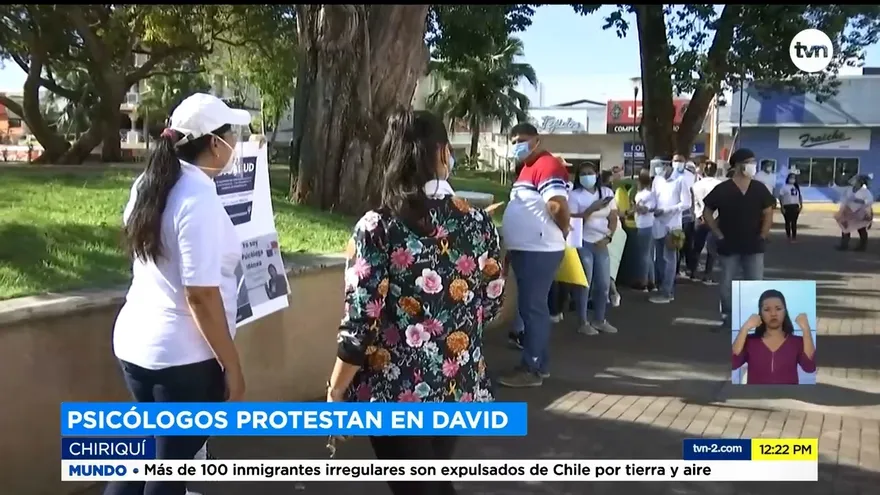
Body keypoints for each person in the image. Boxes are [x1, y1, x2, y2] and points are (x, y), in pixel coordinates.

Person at [326, 109, 503, 495]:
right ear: (443, 152)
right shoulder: (478, 223)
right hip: (457, 384)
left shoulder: (378, 227)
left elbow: (362, 321)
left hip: (395, 392)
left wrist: (337, 388)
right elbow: (492, 300)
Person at [107, 93, 251, 495]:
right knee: (170, 469)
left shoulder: (150, 184)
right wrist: (233, 367)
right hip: (181, 362)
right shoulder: (197, 199)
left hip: (138, 346)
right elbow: (200, 295)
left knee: (144, 459)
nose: (235, 143)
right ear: (214, 143)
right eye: (232, 134)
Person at [499, 123, 570, 387]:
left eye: (522, 139)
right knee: (531, 308)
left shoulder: (547, 165)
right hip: (527, 248)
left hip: (539, 249)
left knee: (533, 309)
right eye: (513, 141)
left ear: (537, 140)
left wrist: (563, 229)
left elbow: (557, 205)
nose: (517, 145)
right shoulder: (526, 169)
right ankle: (539, 363)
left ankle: (532, 369)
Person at [703, 148, 775, 330]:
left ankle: (754, 321)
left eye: (753, 162)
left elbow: (768, 213)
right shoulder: (723, 189)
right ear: (738, 165)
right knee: (726, 285)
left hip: (754, 245)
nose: (753, 166)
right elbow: (707, 212)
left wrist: (763, 235)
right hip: (729, 245)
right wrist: (718, 234)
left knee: (755, 284)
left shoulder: (759, 188)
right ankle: (728, 318)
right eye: (749, 162)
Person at [567, 162, 619, 335]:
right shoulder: (574, 195)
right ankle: (583, 322)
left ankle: (600, 319)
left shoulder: (606, 193)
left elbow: (613, 217)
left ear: (597, 174)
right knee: (585, 283)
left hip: (601, 242)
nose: (587, 176)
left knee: (603, 283)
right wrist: (591, 209)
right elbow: (573, 220)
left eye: (590, 173)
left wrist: (608, 236)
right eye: (583, 174)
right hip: (583, 241)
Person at [732, 289, 816, 385]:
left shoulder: (797, 342)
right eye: (767, 309)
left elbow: (810, 367)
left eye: (778, 309)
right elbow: (733, 363)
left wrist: (806, 329)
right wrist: (745, 328)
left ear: (785, 311)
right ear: (760, 313)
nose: (773, 314)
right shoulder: (750, 341)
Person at [648, 157, 689, 304]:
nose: (658, 170)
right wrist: (648, 207)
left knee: (669, 259)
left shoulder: (680, 180)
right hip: (657, 224)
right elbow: (654, 198)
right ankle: (662, 288)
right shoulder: (657, 180)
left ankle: (667, 292)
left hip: (672, 226)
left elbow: (686, 203)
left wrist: (666, 210)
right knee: (659, 259)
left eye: (660, 166)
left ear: (667, 165)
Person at [688, 160, 722, 283]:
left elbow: (694, 203)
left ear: (704, 172)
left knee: (697, 246)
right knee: (712, 248)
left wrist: (699, 215)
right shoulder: (720, 185)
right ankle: (707, 274)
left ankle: (693, 272)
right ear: (715, 171)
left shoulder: (696, 185)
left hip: (700, 218)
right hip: (715, 219)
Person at [632, 167, 657, 291]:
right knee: (649, 255)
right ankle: (651, 282)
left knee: (644, 255)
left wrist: (635, 208)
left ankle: (644, 282)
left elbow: (645, 210)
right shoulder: (650, 194)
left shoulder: (643, 195)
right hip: (649, 225)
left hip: (644, 226)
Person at [672, 153, 697, 277]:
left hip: (686, 216)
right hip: (672, 216)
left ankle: (690, 269)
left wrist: (693, 212)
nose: (678, 163)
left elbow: (693, 194)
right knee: (675, 244)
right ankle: (675, 270)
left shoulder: (689, 177)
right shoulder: (668, 176)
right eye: (676, 160)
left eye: (680, 161)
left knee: (687, 243)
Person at [834, 174, 874, 251]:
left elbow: (869, 202)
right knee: (845, 227)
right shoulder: (849, 190)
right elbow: (845, 199)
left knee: (861, 229)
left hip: (860, 213)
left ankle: (862, 247)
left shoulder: (865, 192)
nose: (854, 181)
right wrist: (842, 210)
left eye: (857, 180)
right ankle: (844, 245)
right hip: (849, 212)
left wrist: (859, 202)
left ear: (860, 182)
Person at [778, 173, 803, 243]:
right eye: (791, 177)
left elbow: (799, 196)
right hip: (787, 206)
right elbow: (781, 197)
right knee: (787, 222)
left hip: (795, 206)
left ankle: (794, 237)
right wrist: (782, 207)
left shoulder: (796, 187)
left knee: (794, 222)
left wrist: (801, 205)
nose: (792, 179)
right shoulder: (784, 187)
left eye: (794, 178)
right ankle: (788, 236)